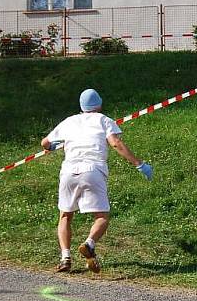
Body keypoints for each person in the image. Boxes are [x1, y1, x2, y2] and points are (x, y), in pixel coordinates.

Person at [41, 88, 153, 274]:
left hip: (69, 170)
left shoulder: (69, 121)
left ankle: (65, 257)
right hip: (93, 170)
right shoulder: (104, 120)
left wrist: (53, 146)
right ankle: (89, 243)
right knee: (102, 217)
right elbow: (115, 143)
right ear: (99, 104)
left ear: (81, 106)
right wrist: (139, 164)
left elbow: (45, 143)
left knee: (65, 215)